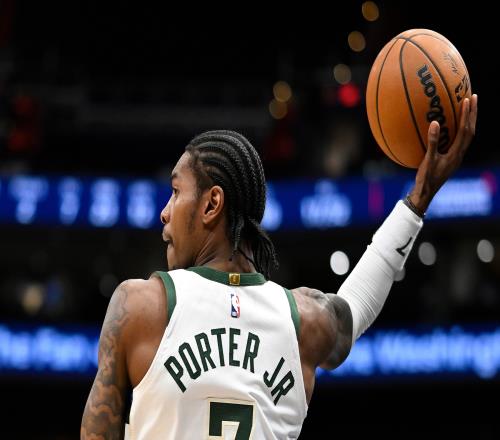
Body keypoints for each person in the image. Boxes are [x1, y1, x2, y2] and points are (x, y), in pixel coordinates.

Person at [81, 95, 478, 439]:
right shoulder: (302, 321)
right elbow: (356, 307)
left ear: (211, 204)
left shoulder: (141, 307)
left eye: (175, 191)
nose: (165, 212)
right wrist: (418, 199)